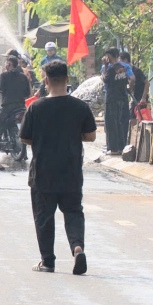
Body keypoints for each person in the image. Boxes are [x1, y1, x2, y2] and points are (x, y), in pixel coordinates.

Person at [20, 60, 97, 274]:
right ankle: (77, 248)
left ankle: (48, 261)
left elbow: (25, 137)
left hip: (43, 173)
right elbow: (90, 135)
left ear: (46, 81)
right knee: (73, 212)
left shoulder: (35, 107)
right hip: (71, 171)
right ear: (68, 80)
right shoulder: (80, 107)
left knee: (44, 216)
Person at [101, 48, 132, 154]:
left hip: (112, 99)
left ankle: (113, 148)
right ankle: (120, 147)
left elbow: (105, 79)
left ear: (109, 56)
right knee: (118, 123)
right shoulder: (123, 68)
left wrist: (105, 66)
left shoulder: (111, 69)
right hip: (121, 99)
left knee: (110, 123)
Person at [0, 55, 32, 141]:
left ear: (8, 64)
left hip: (8, 107)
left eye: (6, 63)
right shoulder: (23, 76)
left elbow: (1, 89)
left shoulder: (4, 75)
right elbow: (27, 93)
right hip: (21, 106)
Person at [122, 50, 147, 125]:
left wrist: (144, 97)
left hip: (140, 98)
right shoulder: (123, 71)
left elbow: (147, 83)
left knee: (143, 119)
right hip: (133, 98)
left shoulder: (136, 71)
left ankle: (143, 135)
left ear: (125, 60)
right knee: (131, 118)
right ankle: (132, 135)